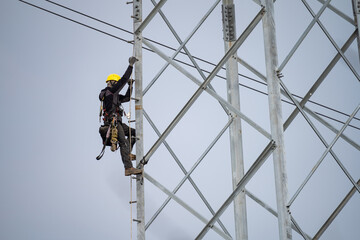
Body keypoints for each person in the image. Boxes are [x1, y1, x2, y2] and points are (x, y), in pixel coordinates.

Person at [98, 56, 142, 176]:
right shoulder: (109, 92)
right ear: (112, 83)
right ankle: (128, 167)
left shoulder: (114, 95)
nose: (117, 85)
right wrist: (130, 66)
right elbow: (122, 80)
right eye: (116, 83)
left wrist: (130, 86)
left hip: (118, 122)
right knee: (123, 142)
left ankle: (127, 154)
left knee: (135, 133)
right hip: (113, 123)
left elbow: (127, 98)